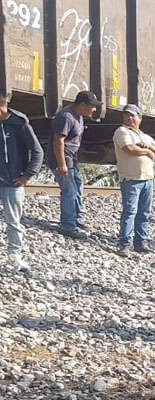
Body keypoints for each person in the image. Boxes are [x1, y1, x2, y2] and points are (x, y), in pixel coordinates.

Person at [113, 104, 155, 256]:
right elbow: (129, 149)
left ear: (140, 118)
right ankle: (124, 243)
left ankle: (140, 242)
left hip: (147, 180)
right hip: (131, 179)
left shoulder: (145, 137)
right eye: (127, 115)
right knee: (130, 212)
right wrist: (147, 152)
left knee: (144, 212)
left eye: (133, 115)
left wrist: (149, 147)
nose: (130, 118)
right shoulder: (122, 131)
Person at [0, 91, 43, 273]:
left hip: (12, 181)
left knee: (13, 220)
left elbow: (37, 151)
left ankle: (15, 255)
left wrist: (27, 175)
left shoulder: (19, 123)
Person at [49, 90, 100, 240]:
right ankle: (67, 225)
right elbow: (58, 140)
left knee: (77, 188)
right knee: (69, 191)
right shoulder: (66, 117)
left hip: (71, 159)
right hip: (62, 159)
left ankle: (77, 218)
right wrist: (61, 164)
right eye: (92, 106)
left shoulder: (79, 116)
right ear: (83, 105)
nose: (94, 109)